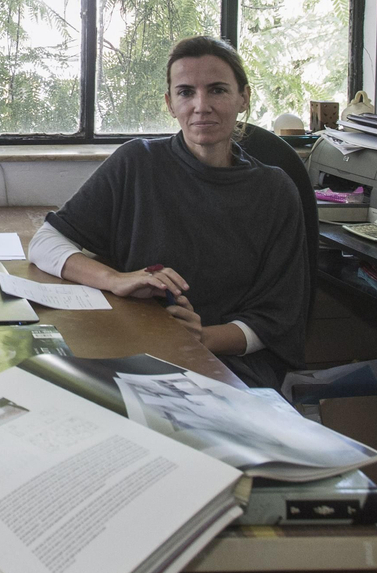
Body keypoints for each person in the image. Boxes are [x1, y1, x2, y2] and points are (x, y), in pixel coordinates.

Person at [26, 36, 307, 388]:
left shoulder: (274, 191)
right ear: (170, 103)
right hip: (137, 346)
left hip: (229, 365)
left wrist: (202, 337)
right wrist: (117, 279)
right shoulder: (136, 163)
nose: (201, 105)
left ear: (243, 99)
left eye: (217, 90)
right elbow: (45, 244)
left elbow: (277, 319)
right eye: (186, 92)